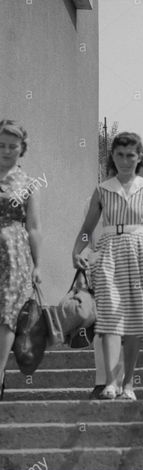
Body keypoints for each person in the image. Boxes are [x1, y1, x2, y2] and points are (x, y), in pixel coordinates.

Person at [72, 132, 143, 400]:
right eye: (119, 155)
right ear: (113, 156)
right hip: (109, 252)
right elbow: (87, 228)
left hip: (139, 251)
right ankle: (111, 381)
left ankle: (129, 384)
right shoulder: (102, 190)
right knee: (110, 321)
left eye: (130, 155)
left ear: (139, 157)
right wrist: (77, 251)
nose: (124, 160)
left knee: (133, 324)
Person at [0, 120, 42, 401]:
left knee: (7, 317)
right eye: (1, 145)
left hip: (14, 254)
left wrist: (37, 265)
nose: (6, 151)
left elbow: (34, 227)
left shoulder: (27, 183)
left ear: (22, 148)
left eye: (12, 146)